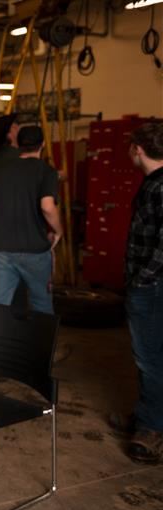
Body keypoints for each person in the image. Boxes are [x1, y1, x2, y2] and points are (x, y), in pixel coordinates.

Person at [0, 125, 63, 314]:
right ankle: (39, 344)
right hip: (34, 250)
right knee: (41, 304)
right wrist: (58, 231)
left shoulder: (2, 170)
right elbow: (47, 206)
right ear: (42, 145)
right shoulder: (46, 171)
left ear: (18, 145)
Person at [124, 122, 163, 463]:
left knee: (149, 358)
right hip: (150, 285)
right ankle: (147, 413)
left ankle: (151, 427)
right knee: (149, 356)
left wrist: (143, 279)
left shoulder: (160, 186)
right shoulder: (152, 183)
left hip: (152, 287)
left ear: (138, 149)